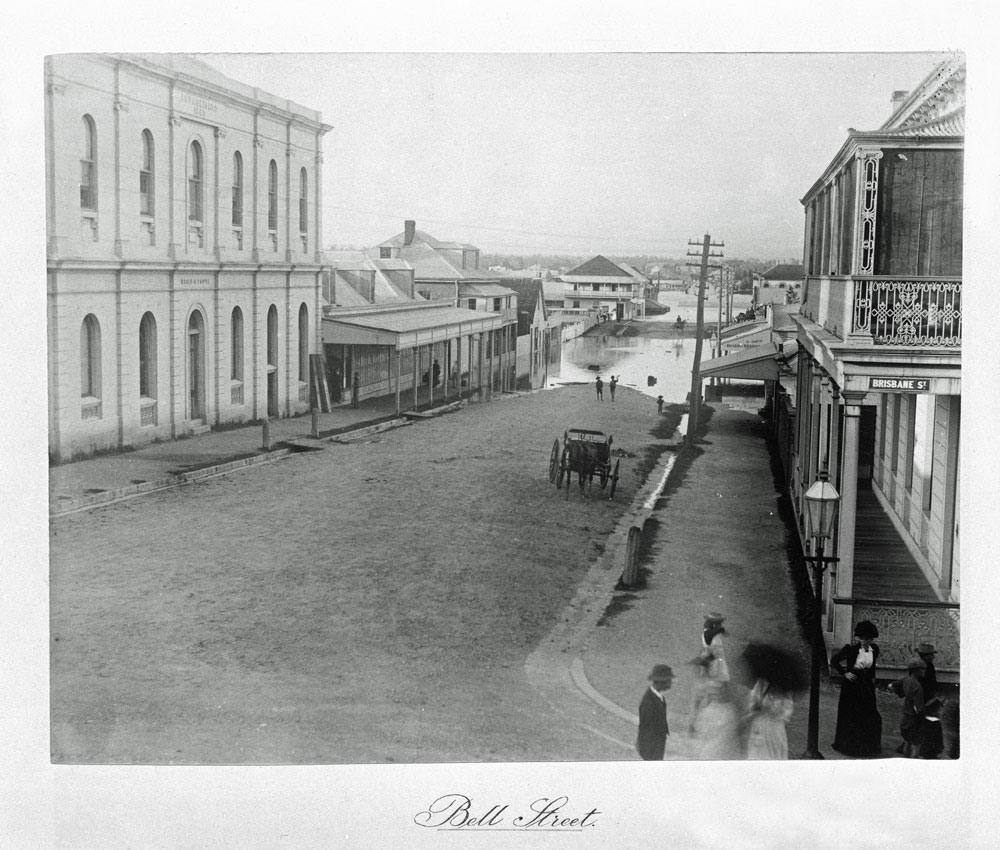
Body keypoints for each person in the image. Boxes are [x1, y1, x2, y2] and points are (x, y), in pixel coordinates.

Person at [829, 620, 882, 757]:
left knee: (870, 714)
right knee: (852, 715)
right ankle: (850, 747)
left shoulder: (874, 649)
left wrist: (872, 679)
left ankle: (867, 747)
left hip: (866, 685)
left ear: (872, 638)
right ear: (857, 637)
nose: (865, 641)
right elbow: (834, 660)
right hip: (852, 685)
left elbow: (872, 667)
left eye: (868, 639)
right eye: (862, 638)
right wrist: (845, 673)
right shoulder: (851, 649)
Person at [743, 677, 795, 759]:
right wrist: (756, 708)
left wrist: (777, 711)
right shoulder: (761, 684)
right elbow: (752, 703)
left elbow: (788, 708)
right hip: (760, 727)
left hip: (775, 728)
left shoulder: (784, 688)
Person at [690, 680, 741, 760]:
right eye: (713, 692)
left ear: (725, 691)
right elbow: (699, 730)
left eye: (719, 690)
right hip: (707, 752)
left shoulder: (731, 710)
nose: (716, 694)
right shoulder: (707, 710)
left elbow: (729, 735)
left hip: (722, 752)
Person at [636, 664, 675, 761]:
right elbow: (647, 731)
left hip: (657, 745)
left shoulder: (658, 697)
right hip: (651, 749)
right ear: (662, 682)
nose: (671, 683)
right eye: (669, 680)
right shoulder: (649, 703)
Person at [891, 657, 927, 758]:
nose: (924, 671)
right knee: (916, 746)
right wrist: (922, 719)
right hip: (915, 719)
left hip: (906, 717)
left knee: (907, 742)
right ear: (916, 670)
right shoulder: (918, 686)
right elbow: (918, 708)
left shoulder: (906, 680)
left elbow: (891, 685)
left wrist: (900, 693)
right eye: (922, 669)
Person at [916, 643, 944, 759]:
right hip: (925, 699)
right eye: (931, 655)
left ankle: (928, 748)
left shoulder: (929, 666)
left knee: (926, 724)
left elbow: (933, 683)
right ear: (925, 656)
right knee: (930, 724)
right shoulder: (922, 667)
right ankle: (929, 750)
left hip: (928, 699)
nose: (933, 657)